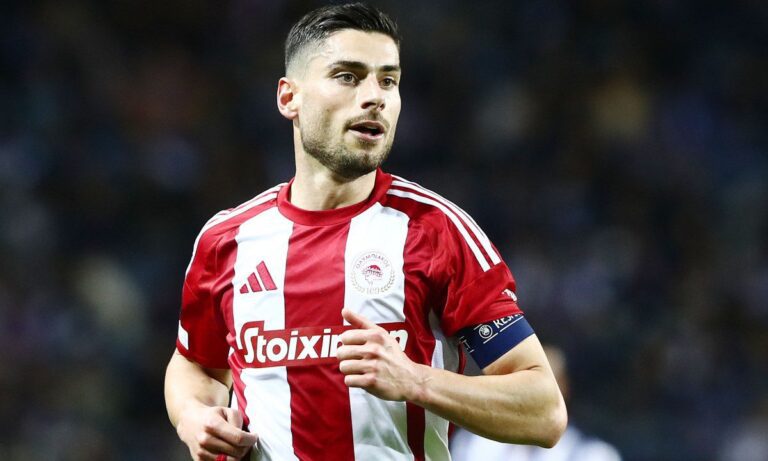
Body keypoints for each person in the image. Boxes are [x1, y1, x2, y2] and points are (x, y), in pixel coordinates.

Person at [164, 3, 567, 460]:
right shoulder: (227, 239)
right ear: (289, 98)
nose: (375, 96)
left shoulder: (435, 231)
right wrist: (193, 416)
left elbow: (544, 411)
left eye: (388, 81)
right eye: (348, 76)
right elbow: (195, 364)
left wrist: (416, 380)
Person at [451, 345, 622, 461]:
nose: (533, 393)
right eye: (524, 383)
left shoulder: (593, 454)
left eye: (544, 386)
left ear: (563, 388)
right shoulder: (472, 443)